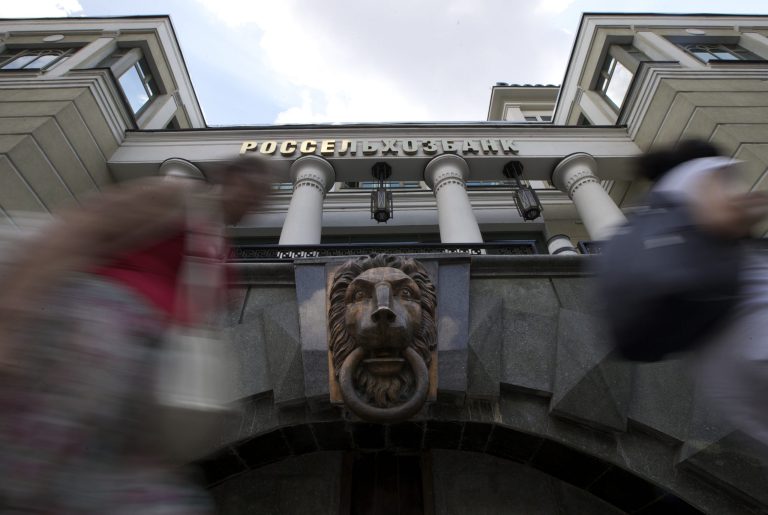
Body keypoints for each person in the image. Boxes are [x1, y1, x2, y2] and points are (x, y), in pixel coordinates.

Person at [0, 156, 273, 514]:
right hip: (95, 339)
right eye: (253, 191)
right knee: (38, 470)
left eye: (263, 197)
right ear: (230, 178)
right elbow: (77, 231)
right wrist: (11, 324)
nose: (255, 203)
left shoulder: (222, 254)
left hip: (150, 381)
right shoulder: (177, 198)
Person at [633, 140, 768, 447]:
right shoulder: (697, 174)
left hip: (724, 360)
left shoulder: (656, 205)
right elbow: (725, 213)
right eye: (728, 179)